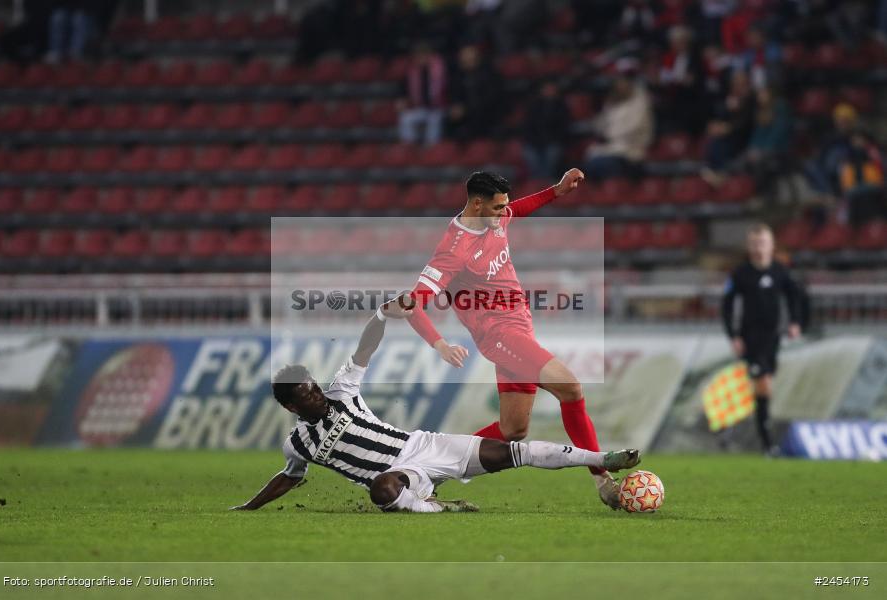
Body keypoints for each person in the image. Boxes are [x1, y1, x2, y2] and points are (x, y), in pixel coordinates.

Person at [230, 296, 641, 513]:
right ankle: (440, 508)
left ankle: (603, 458)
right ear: (292, 407)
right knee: (381, 491)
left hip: (425, 446)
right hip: (400, 477)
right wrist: (250, 506)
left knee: (515, 450)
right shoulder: (298, 444)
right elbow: (289, 477)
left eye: (314, 388)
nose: (317, 395)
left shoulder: (342, 392)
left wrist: (381, 315)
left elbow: (364, 349)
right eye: (307, 395)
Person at [403, 170, 627, 510]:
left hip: (519, 328)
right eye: (498, 207)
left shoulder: (494, 218)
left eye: (504, 205)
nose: (503, 213)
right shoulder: (454, 250)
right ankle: (602, 478)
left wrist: (556, 191)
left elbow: (517, 209)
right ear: (477, 204)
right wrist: (440, 344)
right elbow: (412, 305)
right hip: (500, 335)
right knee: (571, 388)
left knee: (513, 429)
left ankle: (427, 470)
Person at [721, 223, 802, 456]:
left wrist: (795, 322)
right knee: (763, 382)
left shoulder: (780, 271)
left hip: (773, 337)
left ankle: (751, 431)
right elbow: (727, 306)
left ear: (771, 245)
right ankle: (767, 443)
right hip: (750, 338)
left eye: (763, 243)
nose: (758, 248)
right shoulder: (740, 273)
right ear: (749, 246)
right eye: (755, 243)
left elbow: (794, 296)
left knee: (764, 388)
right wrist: (734, 335)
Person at [583, 58, 654, 181]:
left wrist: (609, 134)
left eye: (623, 81)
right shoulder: (614, 101)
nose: (620, 85)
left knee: (603, 165)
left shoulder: (640, 101)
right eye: (618, 81)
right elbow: (600, 126)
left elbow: (634, 128)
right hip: (613, 148)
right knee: (588, 164)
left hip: (632, 150)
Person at [398, 43, 448, 146]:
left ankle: (431, 146)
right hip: (419, 107)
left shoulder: (440, 70)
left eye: (424, 55)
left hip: (438, 107)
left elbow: (447, 89)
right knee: (405, 118)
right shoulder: (411, 72)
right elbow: (403, 89)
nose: (421, 59)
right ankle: (409, 146)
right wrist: (402, 100)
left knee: (434, 119)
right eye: (419, 56)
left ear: (429, 56)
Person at [521, 81, 570, 179]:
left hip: (553, 141)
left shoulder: (562, 107)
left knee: (552, 153)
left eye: (552, 89)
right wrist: (534, 140)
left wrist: (552, 139)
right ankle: (537, 179)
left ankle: (547, 179)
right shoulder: (534, 106)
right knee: (529, 153)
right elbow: (528, 126)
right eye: (547, 89)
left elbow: (562, 128)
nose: (549, 91)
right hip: (535, 141)